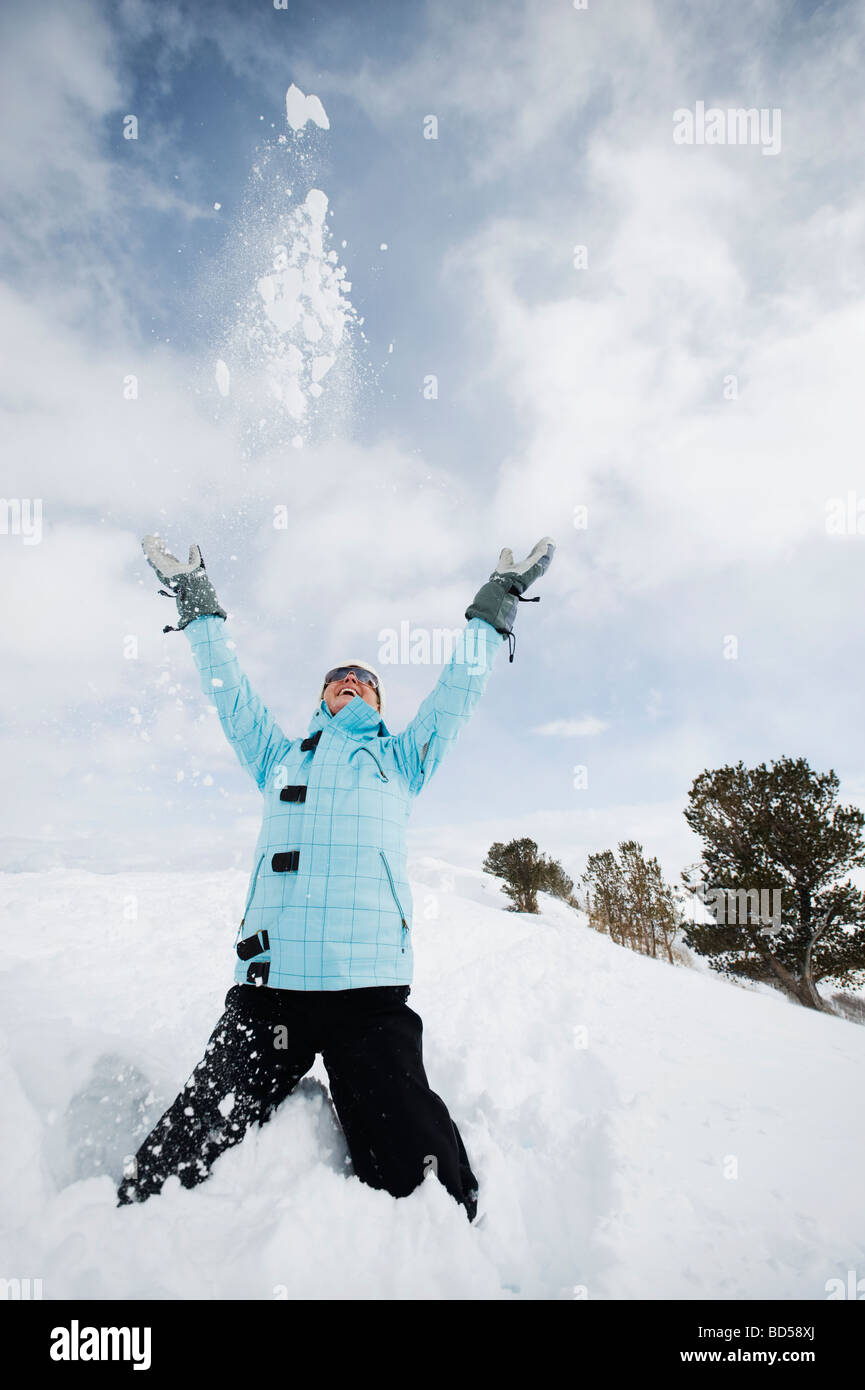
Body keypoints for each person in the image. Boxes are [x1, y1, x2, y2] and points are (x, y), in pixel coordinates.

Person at [117, 533, 555, 1220]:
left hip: (367, 992)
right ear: (322, 698)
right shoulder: (278, 759)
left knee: (415, 1159)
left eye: (365, 681)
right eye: (337, 679)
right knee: (191, 1136)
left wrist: (494, 603)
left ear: (378, 703)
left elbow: (458, 690)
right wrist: (197, 604)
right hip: (273, 992)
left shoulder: (403, 760)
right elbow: (229, 693)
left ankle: (445, 1258)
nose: (350, 681)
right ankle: (125, 1231)